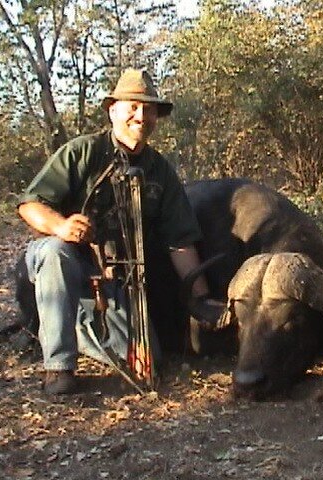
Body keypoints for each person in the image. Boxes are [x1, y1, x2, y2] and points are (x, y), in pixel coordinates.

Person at [18, 69, 212, 394]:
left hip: (114, 277)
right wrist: (61, 226)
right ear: (113, 110)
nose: (141, 116)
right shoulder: (81, 152)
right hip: (61, 266)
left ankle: (77, 328)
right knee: (55, 252)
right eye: (132, 106)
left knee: (146, 360)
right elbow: (29, 205)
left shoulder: (160, 171)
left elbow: (180, 242)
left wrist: (203, 299)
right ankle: (59, 367)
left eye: (149, 109)